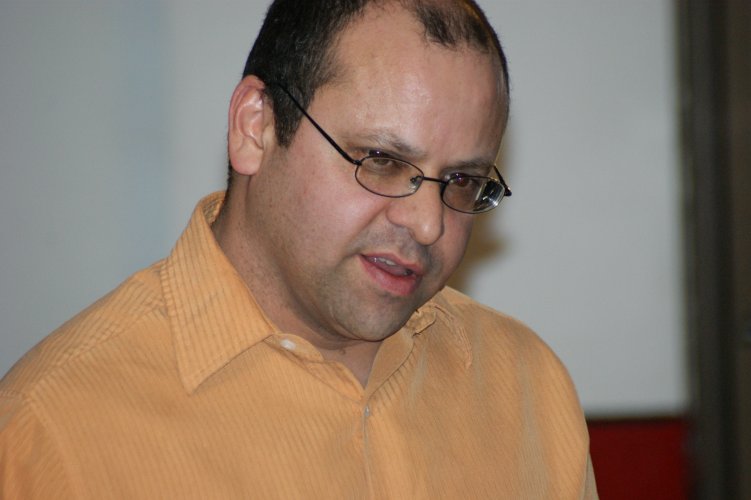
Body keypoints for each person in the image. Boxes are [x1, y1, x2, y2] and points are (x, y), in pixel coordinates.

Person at [0, 0, 597, 497]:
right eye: (382, 161)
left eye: (462, 181)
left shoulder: (527, 388)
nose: (428, 226)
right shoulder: (52, 431)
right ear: (255, 128)